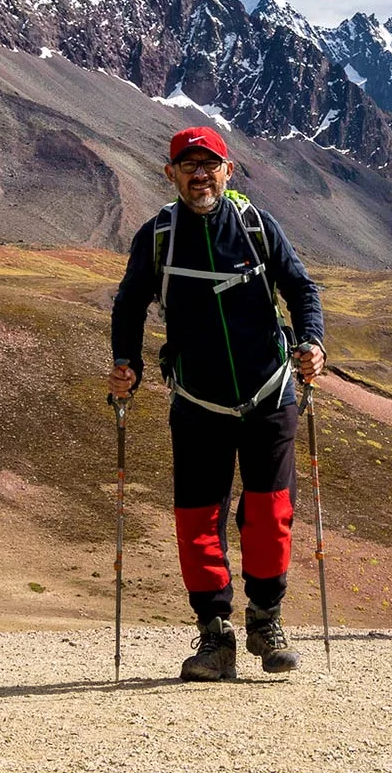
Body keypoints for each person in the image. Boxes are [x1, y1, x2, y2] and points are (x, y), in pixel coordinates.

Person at [110, 124, 326, 681]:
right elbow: (130, 302)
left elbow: (301, 288)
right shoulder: (158, 235)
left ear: (228, 171)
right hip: (197, 400)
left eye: (210, 165)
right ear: (171, 174)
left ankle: (265, 620)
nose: (200, 175)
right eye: (188, 166)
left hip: (269, 393)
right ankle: (215, 637)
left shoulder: (256, 225)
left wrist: (312, 342)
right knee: (197, 521)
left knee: (270, 514)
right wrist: (125, 362)